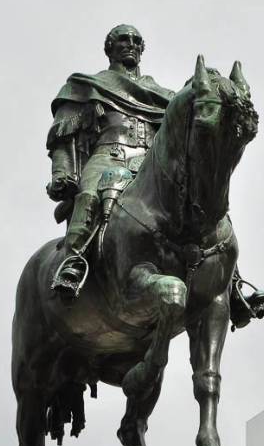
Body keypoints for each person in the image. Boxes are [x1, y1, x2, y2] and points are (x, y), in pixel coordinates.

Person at [47, 24, 173, 294]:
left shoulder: (163, 97)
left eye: (137, 40)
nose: (131, 44)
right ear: (110, 48)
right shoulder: (88, 87)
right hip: (108, 155)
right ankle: (73, 261)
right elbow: (63, 134)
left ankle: (230, 282)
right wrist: (61, 174)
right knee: (89, 196)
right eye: (124, 39)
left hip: (150, 164)